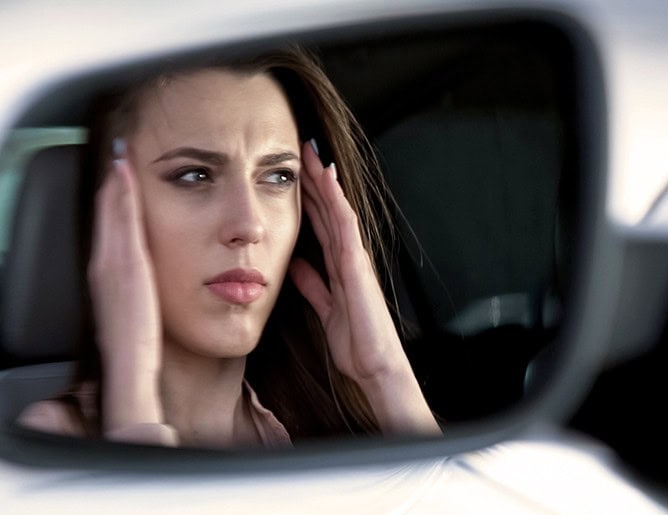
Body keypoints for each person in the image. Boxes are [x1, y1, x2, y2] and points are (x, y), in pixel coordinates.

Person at [15, 44, 441, 449]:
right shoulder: (47, 442)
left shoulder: (334, 432)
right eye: (194, 175)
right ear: (109, 210)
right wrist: (132, 398)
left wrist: (385, 373)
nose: (249, 226)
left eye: (278, 177)